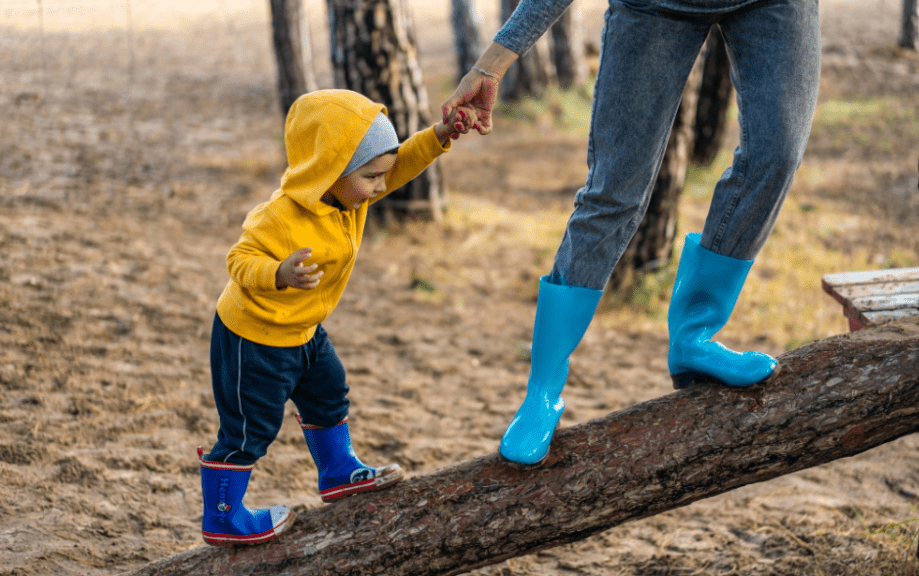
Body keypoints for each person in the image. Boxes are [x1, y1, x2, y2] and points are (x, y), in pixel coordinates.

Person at [442, 0, 821, 466]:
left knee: (775, 157)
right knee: (613, 193)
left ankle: (694, 337)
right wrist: (493, 64)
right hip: (654, 8)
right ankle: (542, 394)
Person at [197, 89, 476, 547]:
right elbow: (238, 259)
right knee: (251, 428)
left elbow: (399, 163)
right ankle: (223, 516)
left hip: (305, 330)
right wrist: (278, 273)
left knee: (329, 392)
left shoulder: (352, 194)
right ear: (330, 170)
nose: (381, 187)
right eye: (371, 177)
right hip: (255, 337)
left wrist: (440, 135)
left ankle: (338, 471)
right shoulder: (280, 217)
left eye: (380, 176)